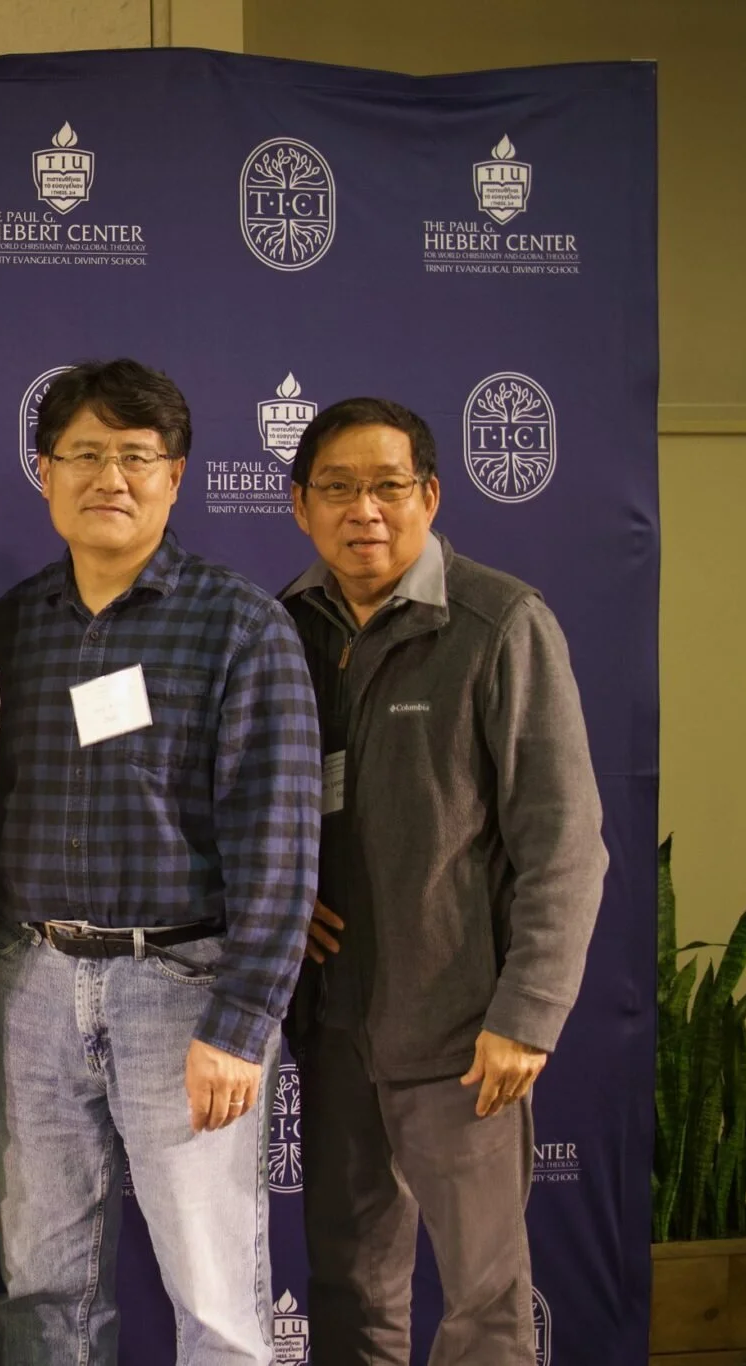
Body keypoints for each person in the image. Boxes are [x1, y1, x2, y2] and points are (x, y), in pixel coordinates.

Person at [0, 359, 320, 1365]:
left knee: (213, 1293)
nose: (109, 478)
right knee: (41, 1284)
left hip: (182, 996)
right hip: (34, 985)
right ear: (42, 472)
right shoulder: (9, 629)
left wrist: (240, 1023)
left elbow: (280, 837)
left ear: (175, 477)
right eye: (83, 455)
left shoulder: (236, 624)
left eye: (135, 457)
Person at [280, 397, 606, 1365]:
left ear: (428, 494)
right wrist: (274, 908)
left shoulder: (497, 621)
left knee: (481, 1302)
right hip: (335, 1033)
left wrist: (527, 1012)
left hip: (464, 1039)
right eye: (335, 488)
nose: (362, 510)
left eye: (385, 486)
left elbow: (565, 841)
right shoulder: (281, 629)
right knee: (347, 1290)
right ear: (298, 504)